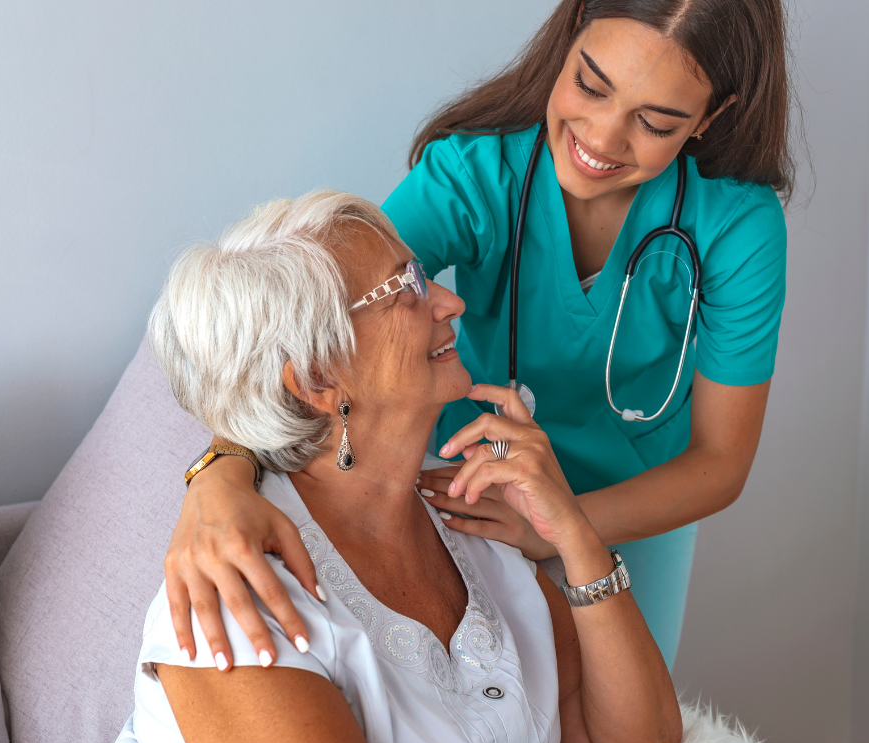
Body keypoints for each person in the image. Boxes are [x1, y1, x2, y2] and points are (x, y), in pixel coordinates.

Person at [167, 0, 793, 670]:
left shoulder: (737, 228)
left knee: (629, 733)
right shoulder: (474, 177)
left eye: (656, 122)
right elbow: (318, 324)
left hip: (633, 512)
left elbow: (721, 462)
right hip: (468, 491)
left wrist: (558, 528)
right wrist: (220, 474)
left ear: (711, 115)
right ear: (571, 33)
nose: (605, 137)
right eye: (591, 84)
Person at [112, 190, 681, 743]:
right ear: (316, 378)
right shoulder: (237, 603)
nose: (451, 303)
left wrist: (576, 536)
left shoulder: (468, 505)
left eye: (424, 276)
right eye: (404, 288)